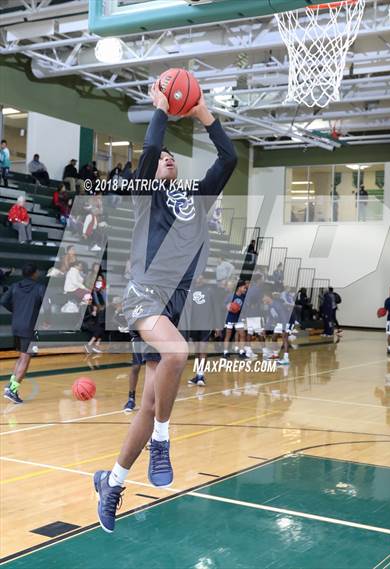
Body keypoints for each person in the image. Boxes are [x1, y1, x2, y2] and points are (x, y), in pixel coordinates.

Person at [93, 84, 237, 532]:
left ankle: (111, 482)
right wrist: (160, 109)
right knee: (177, 355)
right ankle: (162, 440)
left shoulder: (196, 196)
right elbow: (151, 144)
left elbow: (228, 160)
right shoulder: (146, 195)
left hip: (173, 305)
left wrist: (203, 114)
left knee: (149, 403)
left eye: (172, 157)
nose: (166, 158)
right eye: (160, 159)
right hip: (143, 293)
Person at [1, 263, 46, 404]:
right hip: (29, 327)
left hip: (16, 326)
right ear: (35, 273)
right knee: (25, 359)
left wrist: (17, 310)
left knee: (21, 357)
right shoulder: (39, 288)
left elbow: (3, 300)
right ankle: (13, 390)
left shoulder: (15, 286)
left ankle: (10, 386)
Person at [187, 274, 213, 386]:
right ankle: (198, 375)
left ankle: (201, 375)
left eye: (202, 277)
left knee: (202, 350)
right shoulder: (190, 291)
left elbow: (214, 308)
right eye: (198, 277)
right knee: (197, 351)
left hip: (205, 325)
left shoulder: (209, 291)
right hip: (193, 326)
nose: (199, 279)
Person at [223, 281, 248, 358]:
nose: (245, 289)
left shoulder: (244, 297)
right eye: (244, 288)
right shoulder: (231, 296)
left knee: (242, 335)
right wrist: (227, 306)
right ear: (239, 288)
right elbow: (223, 304)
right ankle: (225, 352)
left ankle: (241, 352)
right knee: (228, 335)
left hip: (239, 318)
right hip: (230, 317)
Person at [123, 333, 145, 412]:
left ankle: (157, 398)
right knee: (136, 367)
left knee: (154, 367)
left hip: (154, 337)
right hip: (138, 337)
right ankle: (131, 399)